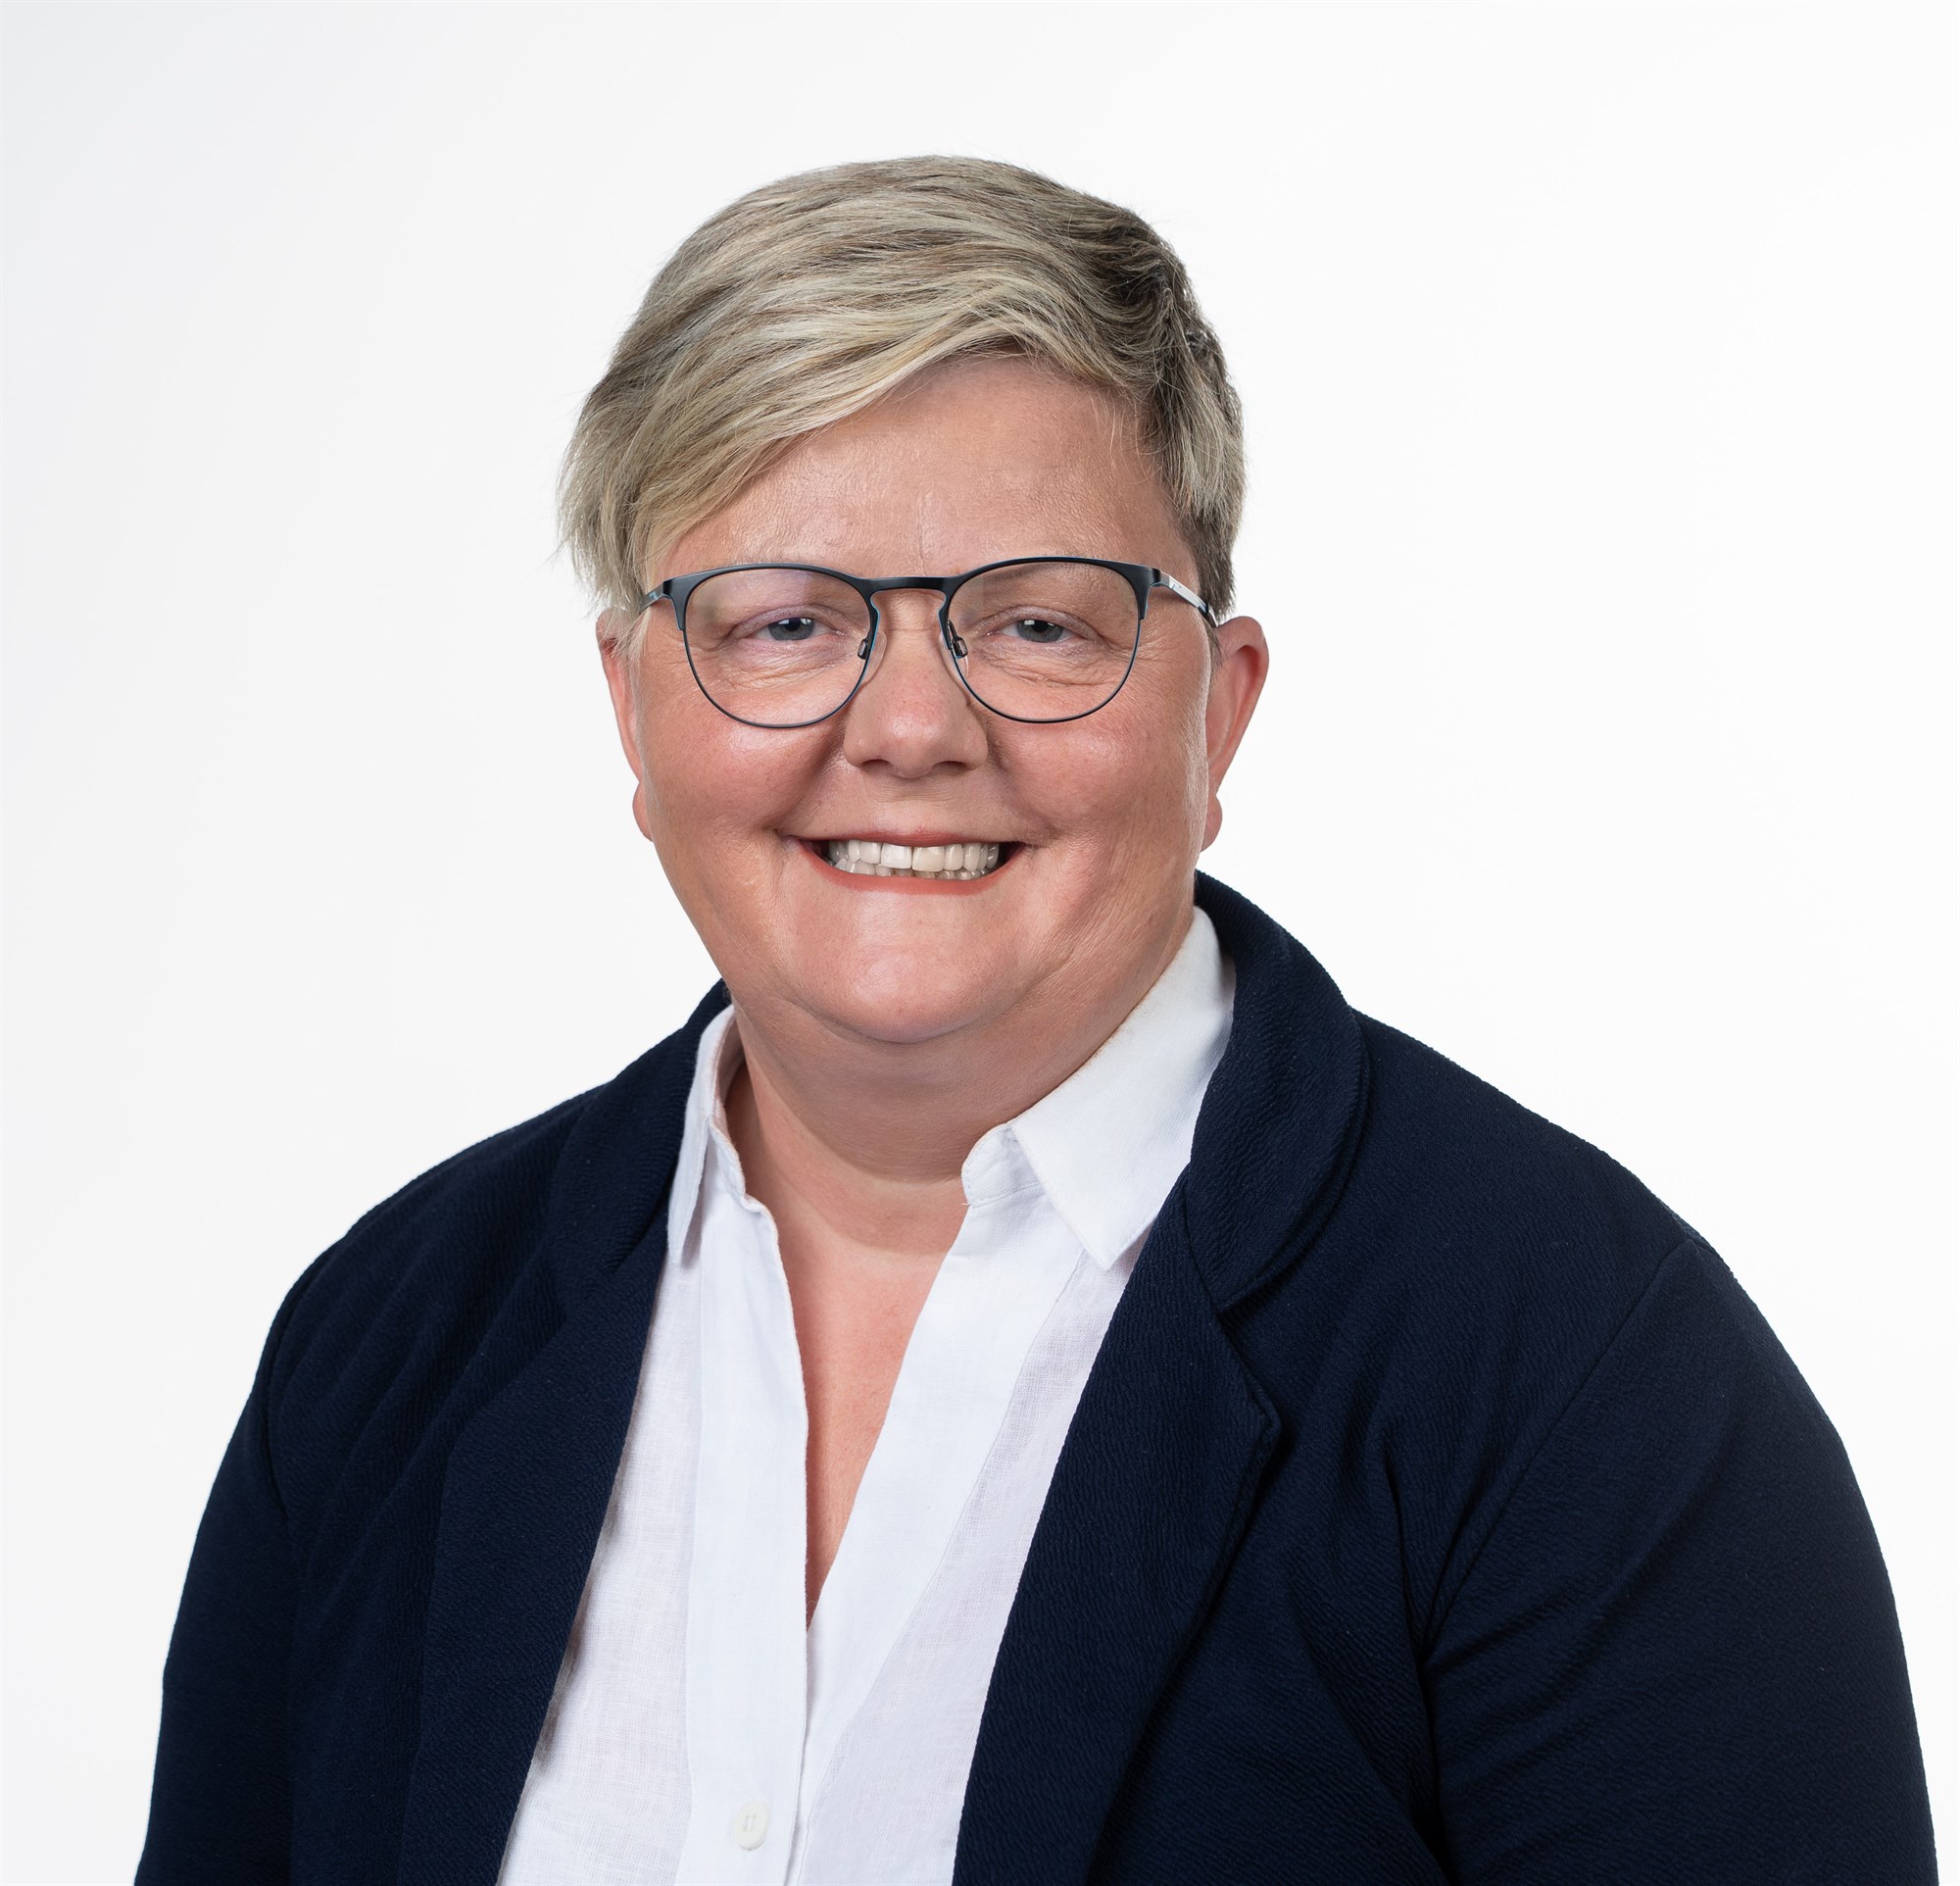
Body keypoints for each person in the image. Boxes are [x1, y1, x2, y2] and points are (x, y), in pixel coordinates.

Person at [135, 157, 1936, 1885]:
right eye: (783, 625)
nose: (911, 728)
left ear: (1219, 713)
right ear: (631, 707)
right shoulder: (389, 1338)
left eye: (1043, 626)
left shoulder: (1584, 1380)